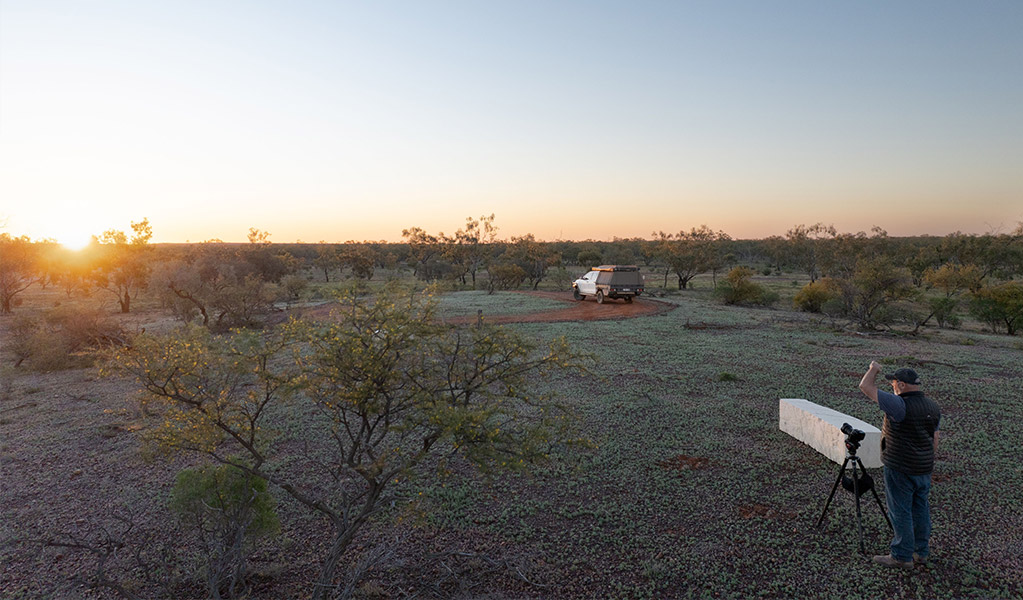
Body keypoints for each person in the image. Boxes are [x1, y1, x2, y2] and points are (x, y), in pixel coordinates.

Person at [858, 361, 941, 570]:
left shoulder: (898, 404)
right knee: (920, 508)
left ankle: (901, 555)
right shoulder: (932, 406)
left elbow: (865, 387)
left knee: (900, 509)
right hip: (923, 468)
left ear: (902, 385)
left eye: (894, 383)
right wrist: (927, 461)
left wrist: (873, 370)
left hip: (900, 466)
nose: (892, 387)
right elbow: (935, 439)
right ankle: (920, 552)